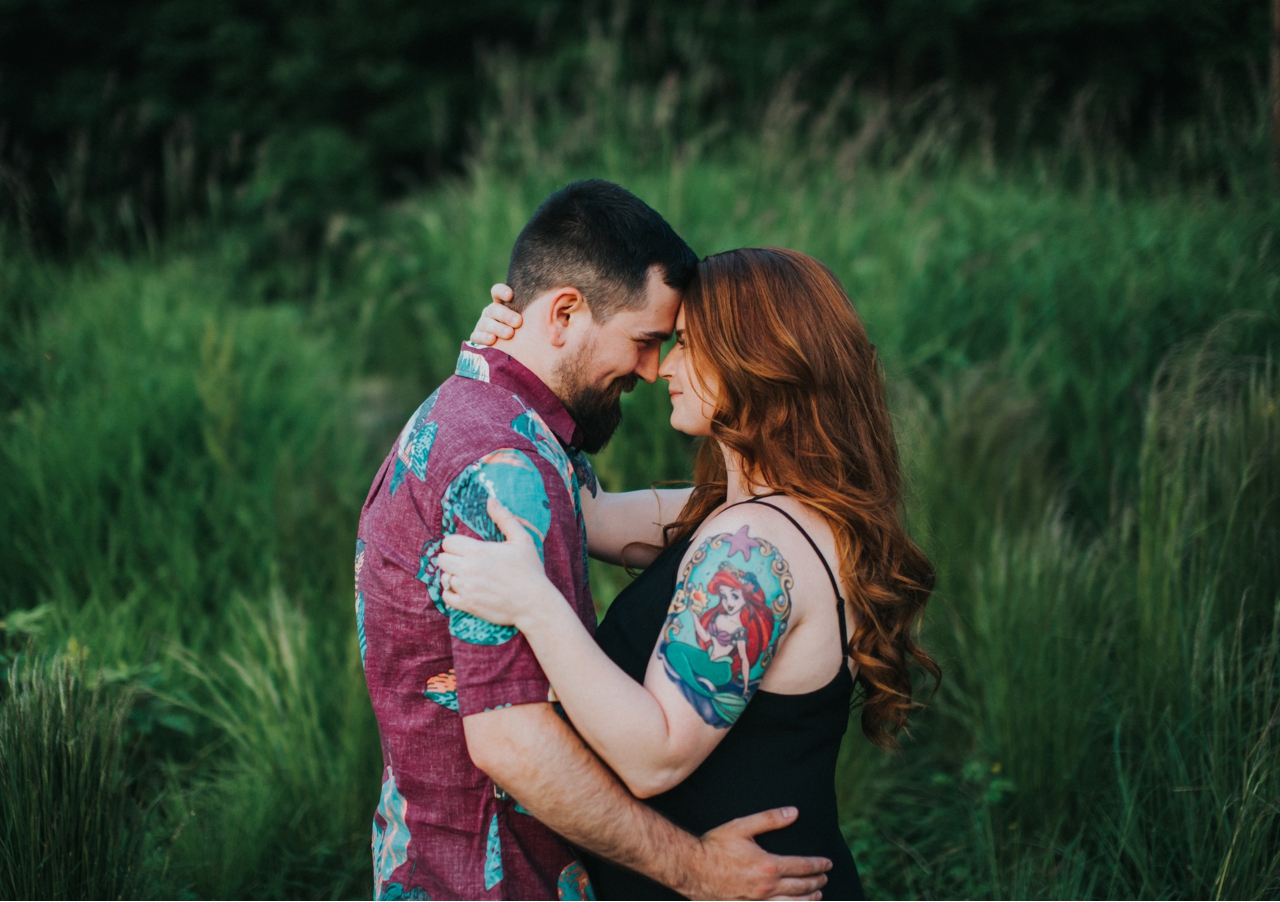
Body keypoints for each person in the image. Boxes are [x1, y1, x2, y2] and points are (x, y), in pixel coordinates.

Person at [355, 181, 833, 900]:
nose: (656, 368)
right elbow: (513, 740)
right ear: (565, 313)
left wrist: (498, 363)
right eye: (648, 341)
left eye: (678, 346)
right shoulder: (506, 466)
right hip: (496, 877)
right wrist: (697, 870)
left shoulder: (481, 423)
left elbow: (600, 518)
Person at [443, 246, 941, 900]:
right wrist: (513, 364)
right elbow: (581, 509)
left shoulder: (750, 549)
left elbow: (653, 758)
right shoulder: (747, 515)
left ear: (756, 360)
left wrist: (534, 604)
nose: (664, 368)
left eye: (688, 345)